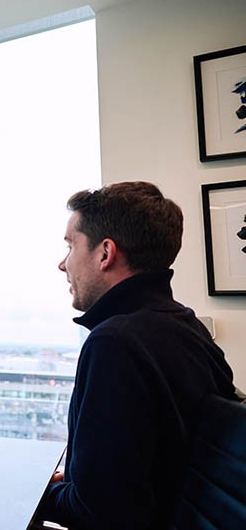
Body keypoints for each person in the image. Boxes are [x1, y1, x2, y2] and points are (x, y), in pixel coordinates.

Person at [38, 182, 238, 529]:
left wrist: (37, 490)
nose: (62, 263)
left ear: (105, 253)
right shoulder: (189, 329)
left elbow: (97, 512)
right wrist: (71, 484)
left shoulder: (115, 344)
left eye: (70, 245)